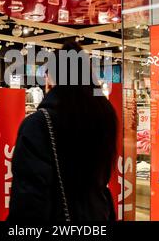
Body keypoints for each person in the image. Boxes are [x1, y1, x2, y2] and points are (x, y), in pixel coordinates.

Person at [8, 41, 118, 222]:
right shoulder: (105, 115)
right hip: (98, 213)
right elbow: (103, 176)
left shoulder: (39, 124)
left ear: (52, 75)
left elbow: (29, 195)